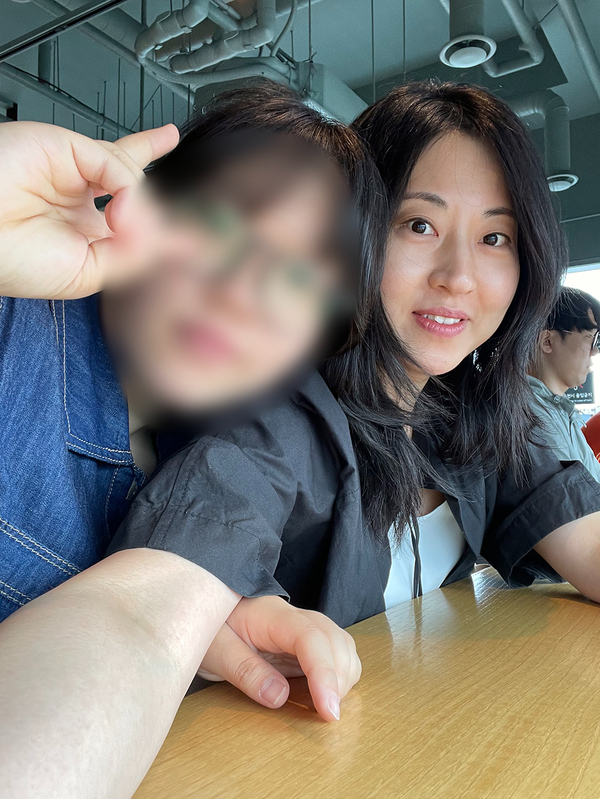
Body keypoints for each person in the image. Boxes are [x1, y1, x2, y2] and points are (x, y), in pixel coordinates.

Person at [109, 80, 600, 651]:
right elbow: (150, 602)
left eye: (495, 237)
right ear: (346, 238)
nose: (459, 277)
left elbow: (588, 544)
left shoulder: (475, 411)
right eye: (419, 225)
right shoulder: (278, 414)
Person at [0, 83, 384, 797]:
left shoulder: (207, 462)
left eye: (296, 281)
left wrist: (217, 610)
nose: (240, 293)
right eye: (219, 223)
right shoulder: (16, 319)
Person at [527, 286, 600, 480]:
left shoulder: (561, 413)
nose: (595, 351)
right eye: (591, 338)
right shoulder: (530, 416)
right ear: (547, 341)